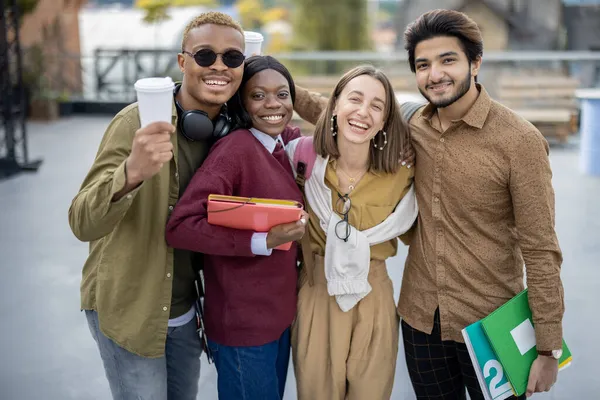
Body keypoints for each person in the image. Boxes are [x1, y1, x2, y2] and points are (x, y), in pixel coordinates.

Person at [293, 9, 565, 400]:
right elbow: (333, 112)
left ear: (476, 62)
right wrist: (273, 80)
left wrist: (547, 346)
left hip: (492, 323)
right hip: (421, 322)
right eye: (423, 65)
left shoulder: (519, 141)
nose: (435, 74)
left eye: (448, 60)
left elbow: (541, 248)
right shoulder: (411, 126)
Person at [68, 12, 246, 400]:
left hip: (185, 309)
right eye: (205, 55)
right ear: (183, 63)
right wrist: (131, 173)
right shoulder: (135, 123)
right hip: (129, 306)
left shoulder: (231, 132)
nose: (219, 65)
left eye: (232, 58)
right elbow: (81, 221)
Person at [164, 55, 309, 400]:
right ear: (241, 103)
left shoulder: (280, 146)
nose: (273, 104)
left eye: (282, 94)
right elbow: (181, 227)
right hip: (243, 328)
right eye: (258, 96)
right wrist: (264, 240)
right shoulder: (235, 150)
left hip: (277, 318)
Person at [287, 65, 418, 400]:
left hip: (374, 295)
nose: (363, 112)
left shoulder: (404, 173)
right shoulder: (302, 161)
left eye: (377, 106)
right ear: (334, 106)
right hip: (317, 291)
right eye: (355, 99)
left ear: (387, 121)